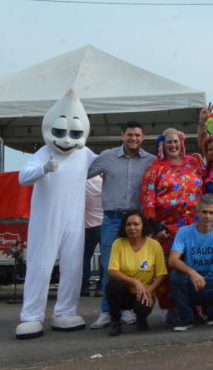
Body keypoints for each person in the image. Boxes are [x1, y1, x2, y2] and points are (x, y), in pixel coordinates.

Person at [15, 89, 97, 339]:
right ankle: (31, 315)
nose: (66, 139)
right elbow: (22, 177)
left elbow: (105, 166)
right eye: (60, 132)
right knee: (40, 265)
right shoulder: (43, 153)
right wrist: (42, 169)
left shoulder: (85, 154)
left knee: (73, 267)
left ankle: (65, 311)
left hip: (74, 219)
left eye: (73, 133)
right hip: (45, 221)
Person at [88, 120, 155, 330]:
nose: (133, 139)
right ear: (122, 135)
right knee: (110, 268)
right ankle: (108, 312)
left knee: (134, 266)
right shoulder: (107, 157)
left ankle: (127, 310)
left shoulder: (150, 161)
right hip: (112, 219)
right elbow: (80, 174)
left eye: (137, 135)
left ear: (143, 137)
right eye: (130, 135)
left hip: (137, 221)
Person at [140, 128, 205, 315]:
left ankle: (197, 305)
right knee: (170, 269)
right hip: (168, 230)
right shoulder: (155, 167)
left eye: (176, 141)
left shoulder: (194, 163)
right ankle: (174, 309)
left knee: (196, 264)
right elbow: (147, 199)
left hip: (195, 227)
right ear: (162, 145)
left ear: (182, 143)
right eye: (169, 142)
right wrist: (155, 228)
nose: (173, 145)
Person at [167, 195, 213, 331]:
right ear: (197, 212)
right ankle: (187, 319)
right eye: (204, 212)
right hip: (194, 283)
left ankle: (211, 314)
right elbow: (172, 259)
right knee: (175, 276)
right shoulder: (184, 231)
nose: (207, 216)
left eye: (211, 212)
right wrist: (192, 272)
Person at [105, 211, 167, 336]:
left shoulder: (154, 245)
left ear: (143, 226)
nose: (132, 228)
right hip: (125, 292)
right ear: (124, 227)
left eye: (136, 224)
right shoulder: (118, 243)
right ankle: (115, 321)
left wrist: (148, 291)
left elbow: (162, 275)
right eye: (128, 225)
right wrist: (135, 282)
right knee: (112, 285)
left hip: (145, 291)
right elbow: (112, 271)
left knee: (142, 307)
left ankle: (141, 319)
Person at [81, 175, 103, 297]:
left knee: (85, 257)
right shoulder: (105, 183)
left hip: (88, 225)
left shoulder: (85, 182)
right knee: (106, 258)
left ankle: (84, 286)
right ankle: (101, 288)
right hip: (105, 224)